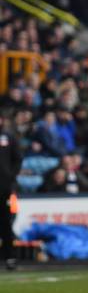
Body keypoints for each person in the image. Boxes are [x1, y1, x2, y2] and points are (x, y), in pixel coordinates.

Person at [0, 115, 22, 270]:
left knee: (6, 223)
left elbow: (18, 158)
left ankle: (10, 257)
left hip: (5, 188)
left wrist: (10, 176)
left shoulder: (9, 137)